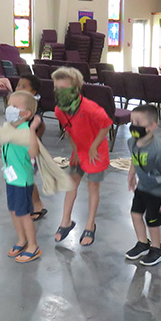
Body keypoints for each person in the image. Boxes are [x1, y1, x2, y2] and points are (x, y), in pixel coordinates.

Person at [52, 67, 112, 246]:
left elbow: (106, 125)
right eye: (56, 88)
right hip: (79, 150)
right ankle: (65, 221)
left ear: (75, 89)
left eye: (64, 88)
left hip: (96, 151)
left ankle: (90, 224)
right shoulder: (59, 110)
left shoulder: (90, 108)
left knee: (93, 186)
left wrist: (93, 147)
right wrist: (75, 150)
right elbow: (69, 130)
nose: (59, 92)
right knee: (71, 183)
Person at [0, 91, 42, 263]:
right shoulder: (10, 127)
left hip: (22, 181)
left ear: (26, 113)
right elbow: (1, 139)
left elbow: (33, 152)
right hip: (11, 178)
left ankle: (33, 246)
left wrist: (32, 130)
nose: (10, 108)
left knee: (24, 213)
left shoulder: (26, 131)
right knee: (13, 211)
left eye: (15, 106)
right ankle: (21, 239)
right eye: (9, 105)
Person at [125, 104, 161, 267]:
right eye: (132, 122)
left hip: (158, 192)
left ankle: (157, 249)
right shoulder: (131, 142)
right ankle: (143, 243)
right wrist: (131, 174)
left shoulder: (159, 150)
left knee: (152, 221)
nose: (134, 126)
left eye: (138, 122)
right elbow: (134, 158)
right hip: (142, 188)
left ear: (152, 126)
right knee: (135, 214)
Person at [16, 74, 47, 220]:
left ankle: (37, 203)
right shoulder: (16, 105)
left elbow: (41, 126)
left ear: (33, 92)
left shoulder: (33, 108)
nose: (19, 88)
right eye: (18, 85)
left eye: (24, 86)